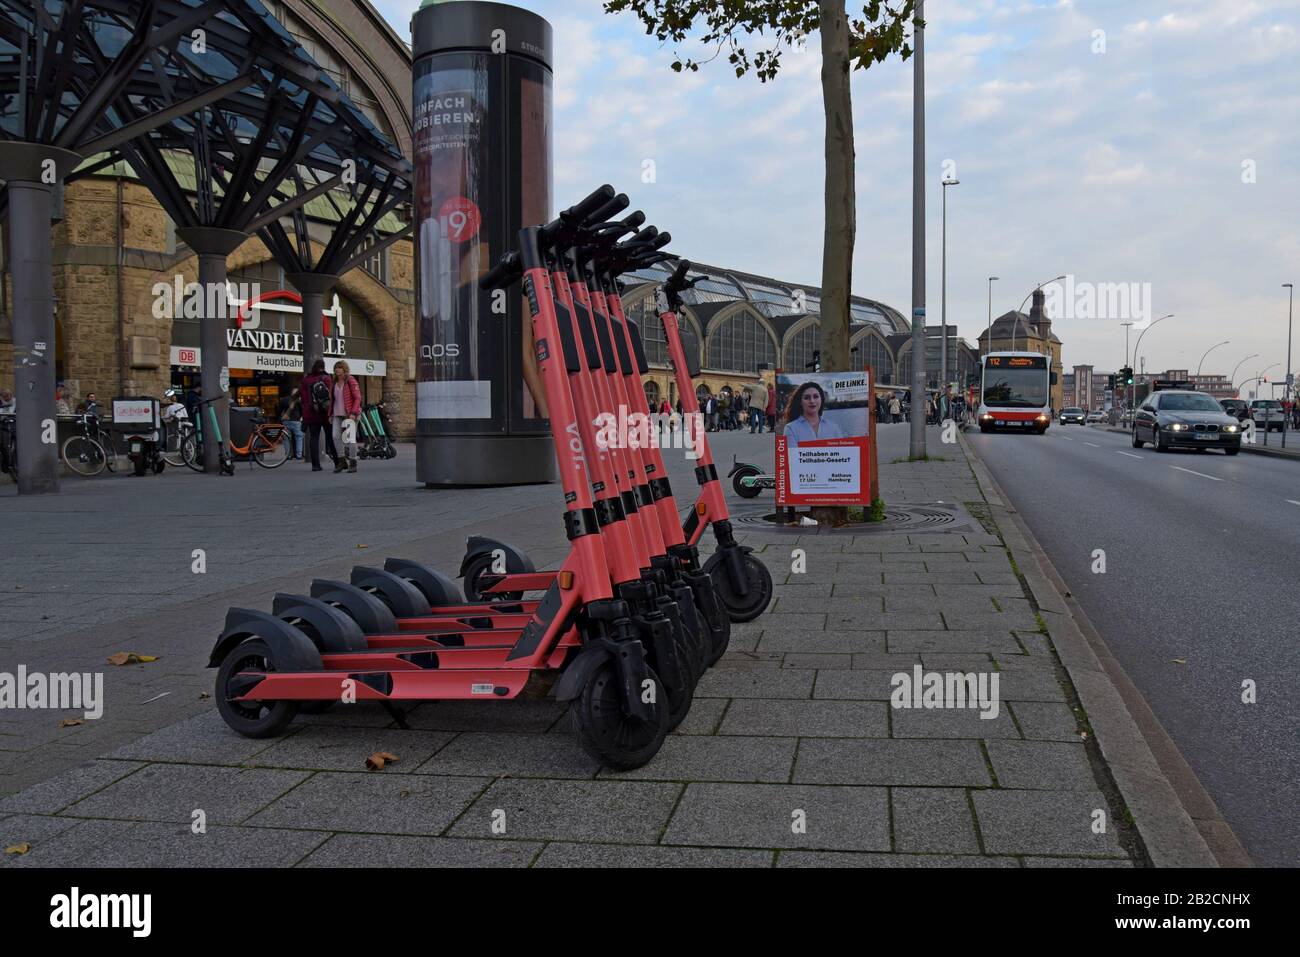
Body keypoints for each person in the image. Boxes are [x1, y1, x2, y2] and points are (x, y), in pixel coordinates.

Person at [782, 381, 845, 447]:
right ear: (800, 402)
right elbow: (791, 456)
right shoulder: (791, 428)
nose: (812, 401)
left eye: (816, 397)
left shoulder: (834, 427)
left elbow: (843, 453)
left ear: (821, 399)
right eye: (806, 397)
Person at [300, 359, 334, 472]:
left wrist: (305, 414)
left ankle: (315, 465)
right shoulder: (326, 378)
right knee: (330, 437)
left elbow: (304, 400)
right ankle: (338, 462)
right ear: (323, 367)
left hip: (312, 413)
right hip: (325, 413)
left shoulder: (306, 380)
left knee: (313, 438)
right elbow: (331, 396)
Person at [331, 360, 363, 473]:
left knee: (350, 438)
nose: (337, 369)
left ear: (345, 369)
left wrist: (353, 413)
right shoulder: (334, 382)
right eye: (336, 367)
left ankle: (353, 462)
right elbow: (333, 400)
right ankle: (342, 461)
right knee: (335, 436)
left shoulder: (350, 380)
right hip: (337, 414)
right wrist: (330, 414)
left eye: (340, 367)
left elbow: (358, 397)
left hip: (350, 414)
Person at [278, 391, 304, 460]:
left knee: (286, 438)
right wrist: (300, 417)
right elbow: (302, 410)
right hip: (296, 420)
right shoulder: (298, 400)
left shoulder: (284, 399)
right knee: (299, 438)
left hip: (286, 421)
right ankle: (299, 455)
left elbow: (279, 410)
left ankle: (288, 455)